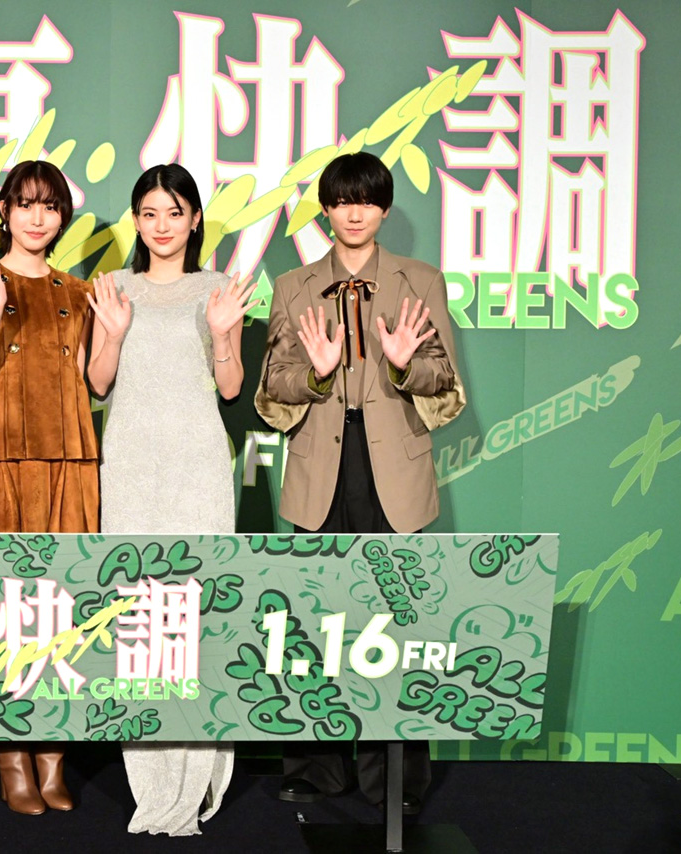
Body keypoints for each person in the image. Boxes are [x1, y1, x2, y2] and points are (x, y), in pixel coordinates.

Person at [260, 151, 464, 815]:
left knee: (399, 625)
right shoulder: (292, 286)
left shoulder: (419, 280)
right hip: (322, 466)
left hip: (394, 470)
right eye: (343, 200)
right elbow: (274, 388)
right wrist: (316, 374)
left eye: (368, 200)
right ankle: (316, 769)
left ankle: (396, 777)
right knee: (315, 622)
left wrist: (403, 365)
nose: (355, 213)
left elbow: (445, 378)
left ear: (384, 208)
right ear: (326, 209)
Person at [87, 164, 256, 835]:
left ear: (194, 220)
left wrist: (223, 333)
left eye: (174, 212)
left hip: (198, 469)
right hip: (130, 467)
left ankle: (193, 776)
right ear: (136, 220)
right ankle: (150, 784)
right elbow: (98, 383)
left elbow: (231, 388)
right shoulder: (113, 287)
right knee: (138, 620)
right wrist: (113, 332)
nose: (162, 226)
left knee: (195, 617)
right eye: (150, 213)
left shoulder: (218, 289)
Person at [0, 159, 114, 814]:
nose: (37, 217)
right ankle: (10, 755)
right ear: (5, 213)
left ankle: (53, 756)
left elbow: (96, 382)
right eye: (26, 204)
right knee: (3, 607)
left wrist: (114, 334)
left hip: (68, 461)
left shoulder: (79, 291)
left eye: (50, 205)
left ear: (63, 216)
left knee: (62, 608)